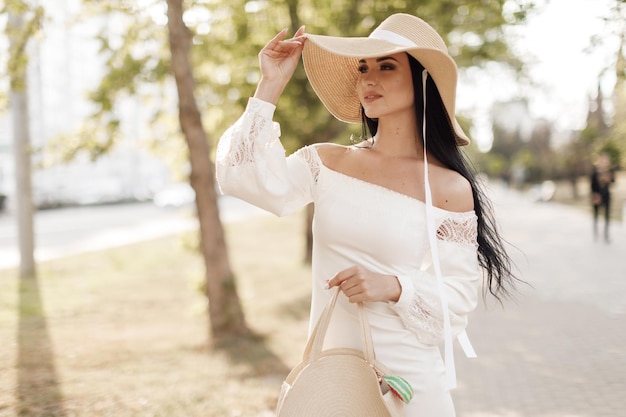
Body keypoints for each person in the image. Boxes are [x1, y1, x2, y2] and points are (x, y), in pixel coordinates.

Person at [216, 13, 517, 417]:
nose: (368, 79)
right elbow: (241, 177)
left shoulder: (447, 188)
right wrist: (270, 84)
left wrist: (394, 286)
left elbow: (457, 300)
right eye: (363, 68)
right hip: (335, 382)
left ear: (422, 80)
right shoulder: (326, 162)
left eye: (386, 66)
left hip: (409, 385)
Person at [590, 152, 615, 243]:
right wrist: (594, 196)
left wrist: (609, 178)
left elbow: (613, 181)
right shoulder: (595, 172)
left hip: (606, 195)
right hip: (597, 195)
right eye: (603, 159)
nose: (604, 161)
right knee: (596, 215)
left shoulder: (609, 171)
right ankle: (596, 233)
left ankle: (606, 235)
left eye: (606, 159)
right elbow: (592, 185)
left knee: (607, 215)